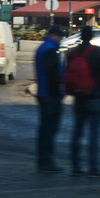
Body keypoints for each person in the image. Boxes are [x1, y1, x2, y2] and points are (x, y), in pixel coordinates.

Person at [64, 25, 100, 177]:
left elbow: (68, 74)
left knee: (77, 132)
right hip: (94, 97)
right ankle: (93, 168)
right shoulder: (97, 52)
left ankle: (76, 166)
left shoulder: (72, 53)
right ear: (91, 37)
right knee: (94, 134)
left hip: (78, 98)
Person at [34, 24, 67, 172]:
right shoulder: (50, 50)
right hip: (51, 95)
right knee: (49, 130)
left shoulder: (42, 48)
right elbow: (53, 74)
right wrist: (61, 88)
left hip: (43, 93)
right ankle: (47, 162)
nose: (61, 39)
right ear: (54, 35)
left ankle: (43, 161)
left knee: (44, 130)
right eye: (59, 37)